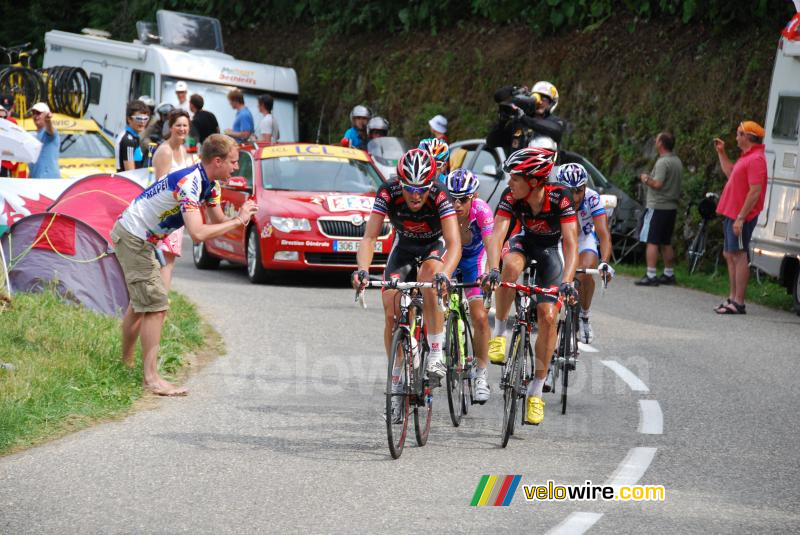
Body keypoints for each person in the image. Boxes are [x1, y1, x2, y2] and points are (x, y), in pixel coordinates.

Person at [112, 134, 258, 396]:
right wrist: (238, 222)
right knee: (156, 307)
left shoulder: (211, 184)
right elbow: (199, 233)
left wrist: (240, 215)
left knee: (140, 304)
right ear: (217, 161)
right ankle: (151, 379)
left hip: (140, 238)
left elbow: (218, 220)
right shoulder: (189, 183)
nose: (236, 168)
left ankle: (126, 364)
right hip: (134, 236)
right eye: (233, 162)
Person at [352, 149, 461, 422]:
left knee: (430, 279)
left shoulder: (439, 194)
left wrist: (445, 274)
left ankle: (435, 352)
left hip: (434, 248)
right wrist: (363, 270)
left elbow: (454, 243)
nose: (415, 195)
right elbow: (369, 238)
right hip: (403, 248)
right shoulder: (387, 192)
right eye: (410, 188)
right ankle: (397, 379)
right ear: (400, 183)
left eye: (421, 189)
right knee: (390, 308)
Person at [481, 147, 578, 426]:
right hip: (522, 243)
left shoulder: (560, 197)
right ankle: (500, 332)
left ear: (534, 181)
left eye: (515, 177)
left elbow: (571, 243)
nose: (509, 182)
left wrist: (568, 282)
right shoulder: (511, 195)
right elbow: (498, 233)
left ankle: (536, 391)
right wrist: (493, 270)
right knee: (509, 267)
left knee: (548, 317)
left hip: (551, 252)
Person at [445, 168, 493, 402]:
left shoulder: (482, 211)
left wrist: (491, 272)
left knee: (480, 317)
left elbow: (491, 244)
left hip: (475, 260)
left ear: (472, 197)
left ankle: (481, 376)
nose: (456, 204)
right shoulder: (443, 209)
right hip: (450, 257)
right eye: (452, 197)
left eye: (462, 199)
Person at [712, 121, 768, 315]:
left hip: (741, 216)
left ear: (747, 136)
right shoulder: (747, 157)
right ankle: (733, 297)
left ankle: (739, 302)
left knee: (739, 255)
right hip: (732, 212)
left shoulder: (756, 159)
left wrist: (741, 217)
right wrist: (721, 152)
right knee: (730, 254)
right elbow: (730, 172)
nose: (736, 138)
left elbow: (755, 191)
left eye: (738, 134)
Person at [557, 163, 614, 343]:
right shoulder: (551, 196)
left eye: (579, 190)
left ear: (585, 188)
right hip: (558, 239)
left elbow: (604, 235)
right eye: (569, 191)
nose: (574, 197)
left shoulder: (592, 199)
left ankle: (584, 316)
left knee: (586, 270)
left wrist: (604, 262)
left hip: (583, 238)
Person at [151, 109, 194, 291]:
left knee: (169, 260)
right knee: (164, 261)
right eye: (178, 125)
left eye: (185, 125)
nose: (182, 129)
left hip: (178, 213)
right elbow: (159, 187)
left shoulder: (183, 150)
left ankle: (160, 303)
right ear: (170, 127)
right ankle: (160, 304)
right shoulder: (165, 151)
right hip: (165, 213)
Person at [635, 132, 683, 286]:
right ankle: (669, 273)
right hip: (671, 207)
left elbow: (658, 184)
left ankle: (651, 274)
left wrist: (646, 178)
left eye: (657, 140)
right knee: (665, 241)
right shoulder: (676, 161)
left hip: (657, 206)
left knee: (652, 241)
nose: (655, 142)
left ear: (661, 144)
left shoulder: (663, 162)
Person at [487, 81, 565, 155]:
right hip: (518, 168)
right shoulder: (518, 122)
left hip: (547, 168)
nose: (540, 102)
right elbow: (492, 142)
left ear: (551, 103)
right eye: (537, 99)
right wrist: (502, 121)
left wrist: (523, 118)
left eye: (544, 100)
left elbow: (554, 130)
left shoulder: (556, 122)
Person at [28, 102, 61, 179]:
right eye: (33, 113)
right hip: (36, 180)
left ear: (46, 115)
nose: (35, 116)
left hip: (49, 181)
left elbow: (51, 130)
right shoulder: (34, 135)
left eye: (38, 113)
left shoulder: (49, 132)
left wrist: (48, 121)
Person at [115, 100, 150, 172]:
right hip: (127, 182)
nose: (142, 122)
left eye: (145, 118)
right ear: (129, 119)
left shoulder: (134, 137)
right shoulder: (128, 140)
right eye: (139, 118)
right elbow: (130, 172)